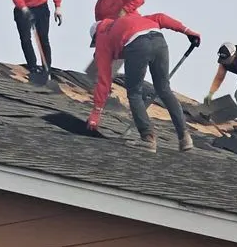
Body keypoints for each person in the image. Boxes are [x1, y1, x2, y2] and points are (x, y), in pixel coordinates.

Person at [86, 13, 201, 153]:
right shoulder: (129, 19)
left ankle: (148, 139)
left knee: (134, 93)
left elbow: (104, 80)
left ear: (96, 36)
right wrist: (187, 31)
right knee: (164, 89)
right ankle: (185, 137)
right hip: (159, 41)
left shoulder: (102, 38)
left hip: (137, 45)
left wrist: (96, 112)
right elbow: (160, 18)